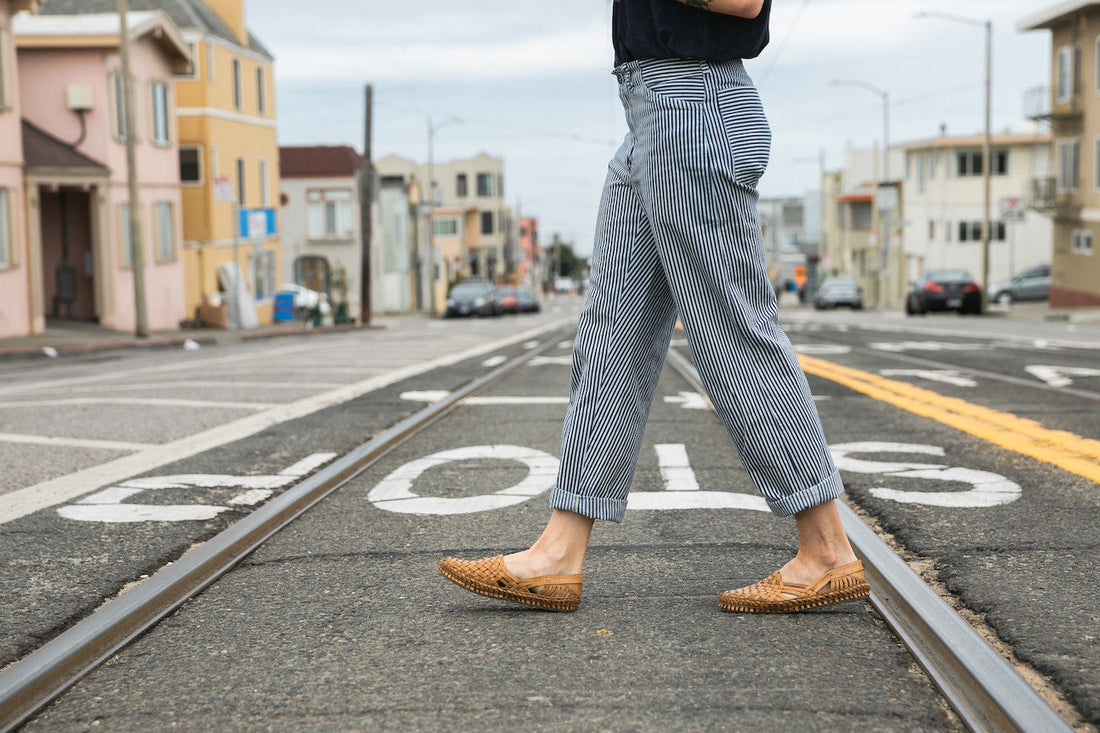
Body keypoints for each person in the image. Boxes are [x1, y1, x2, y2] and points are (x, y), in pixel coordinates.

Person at [439, 0, 870, 614]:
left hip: (693, 106)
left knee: (730, 331)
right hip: (648, 112)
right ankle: (560, 551)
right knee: (613, 335)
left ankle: (827, 547)